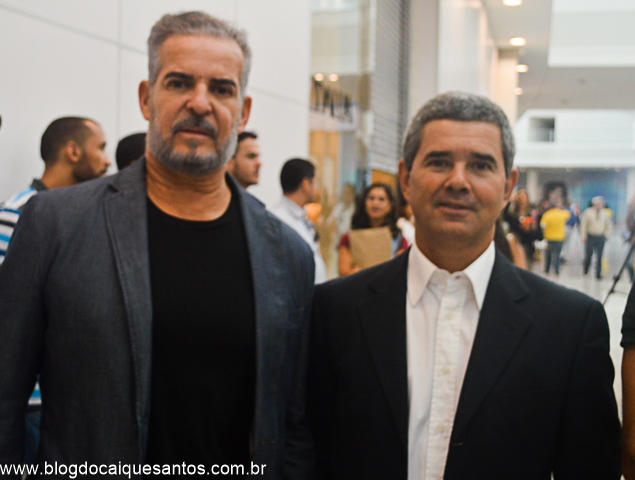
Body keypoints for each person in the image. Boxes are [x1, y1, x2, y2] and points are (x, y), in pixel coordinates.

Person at [0, 12, 314, 477]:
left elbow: (292, 425)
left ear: (243, 111)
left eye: (221, 89)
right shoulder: (55, 223)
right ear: (147, 98)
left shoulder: (288, 255)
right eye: (179, 83)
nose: (200, 103)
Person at [308, 92, 620, 479]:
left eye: (480, 165)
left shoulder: (569, 326)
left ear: (508, 186)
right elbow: (310, 453)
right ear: (405, 179)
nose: (458, 181)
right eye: (439, 162)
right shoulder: (335, 310)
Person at [0, 116, 111, 267]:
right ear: (73, 152)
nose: (108, 161)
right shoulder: (14, 214)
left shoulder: (90, 213)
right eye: (101, 148)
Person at [270, 158, 328, 284]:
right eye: (316, 182)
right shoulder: (276, 220)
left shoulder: (301, 217)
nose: (317, 189)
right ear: (306, 184)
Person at [337, 183, 408, 276]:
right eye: (371, 198)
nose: (375, 203)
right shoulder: (348, 238)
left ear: (390, 205)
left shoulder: (398, 240)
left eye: (381, 199)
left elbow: (400, 271)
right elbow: (344, 272)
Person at [580, 195, 612, 279]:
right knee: (588, 254)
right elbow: (583, 225)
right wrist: (583, 236)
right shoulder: (588, 212)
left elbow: (608, 225)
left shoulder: (604, 213)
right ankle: (586, 270)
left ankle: (598, 273)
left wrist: (607, 235)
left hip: (600, 236)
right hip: (590, 236)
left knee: (599, 255)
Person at [540, 196, 571, 275]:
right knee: (557, 255)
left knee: (548, 255)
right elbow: (569, 214)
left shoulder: (547, 215)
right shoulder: (561, 214)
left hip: (549, 237)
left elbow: (543, 225)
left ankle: (547, 270)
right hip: (559, 237)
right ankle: (556, 270)